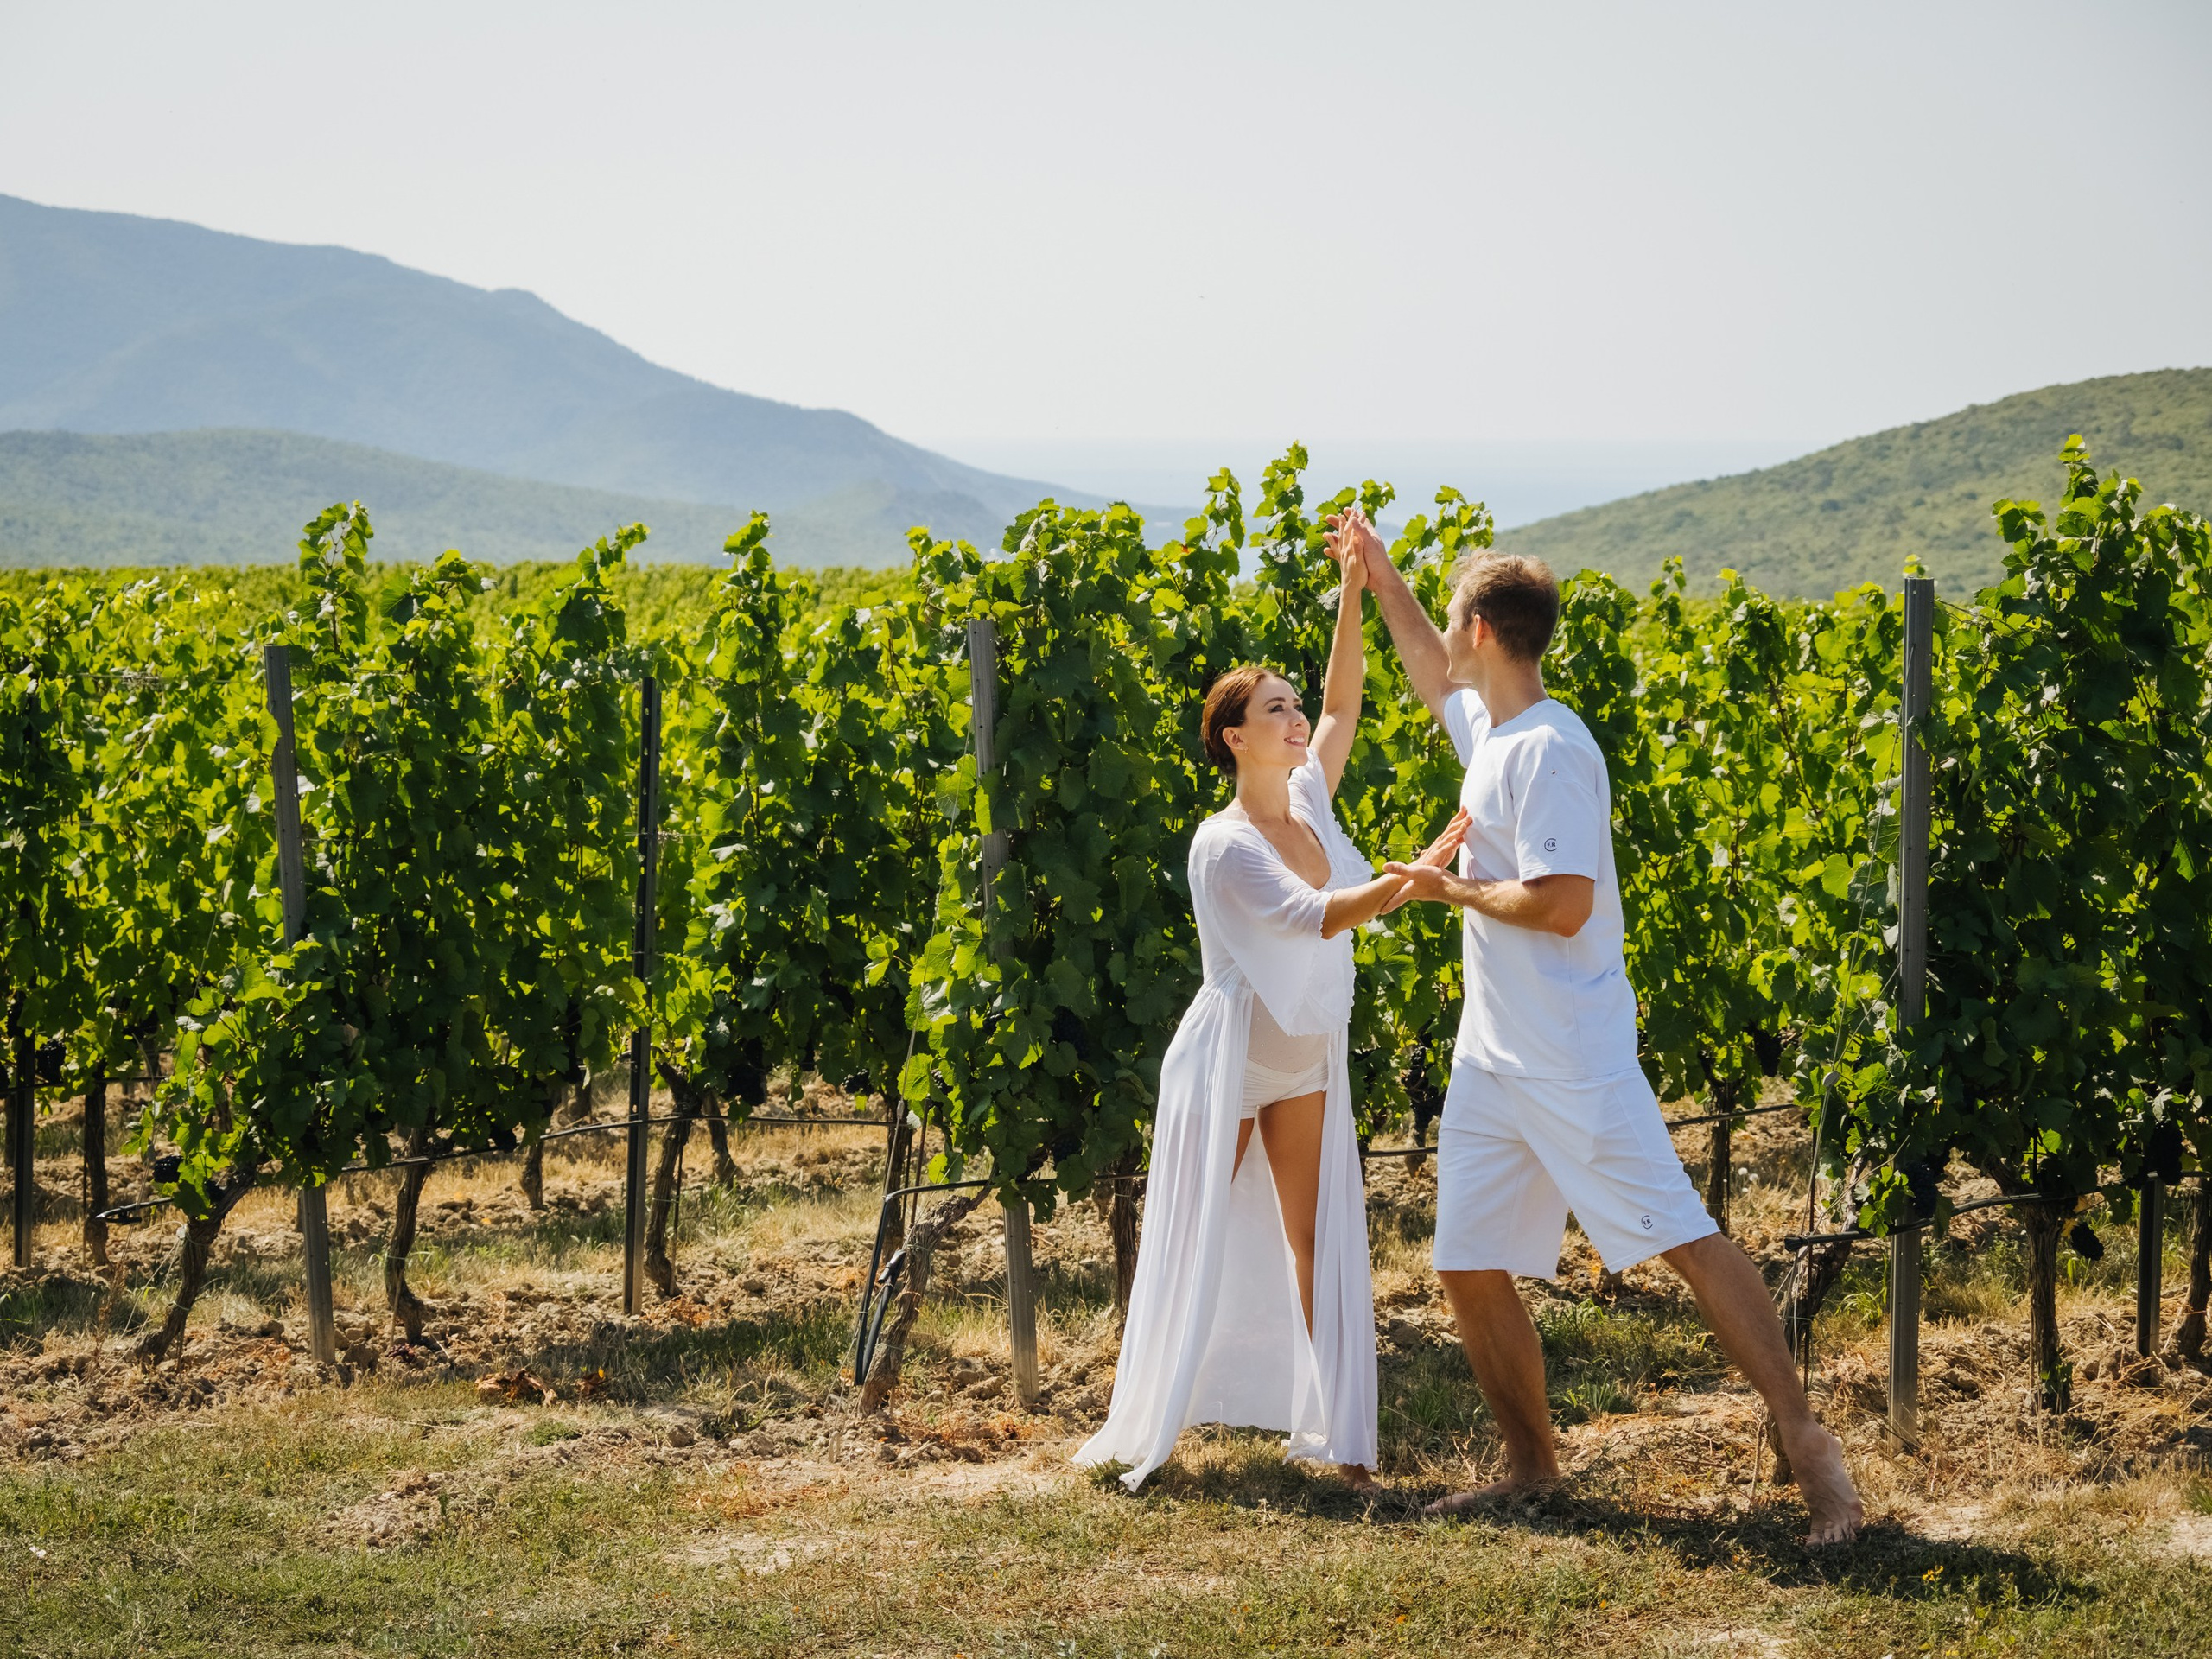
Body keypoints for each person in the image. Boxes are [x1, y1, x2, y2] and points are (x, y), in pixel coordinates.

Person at [1332, 509, 1865, 1546]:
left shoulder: (1550, 749)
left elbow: (1562, 902)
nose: (1440, 639)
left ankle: (1810, 1448)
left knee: (1683, 1240)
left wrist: (1449, 892)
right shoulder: (1491, 730)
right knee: (1467, 1261)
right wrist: (1377, 568)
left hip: (1569, 1054)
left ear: (1482, 628)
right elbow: (1425, 674)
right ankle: (1532, 1469)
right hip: (1493, 1055)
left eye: (1450, 620)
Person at [1073, 537, 1466, 1492]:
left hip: (1307, 1057)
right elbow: (1307, 918)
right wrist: (1414, 879)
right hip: (1230, 1057)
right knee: (1193, 1234)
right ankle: (1152, 1424)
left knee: (1318, 1241)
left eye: (1291, 705)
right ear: (1232, 738)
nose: (1297, 719)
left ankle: (1339, 1443)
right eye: (1273, 710)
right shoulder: (1222, 845)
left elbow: (1345, 702)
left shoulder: (1307, 797)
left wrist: (1352, 590)